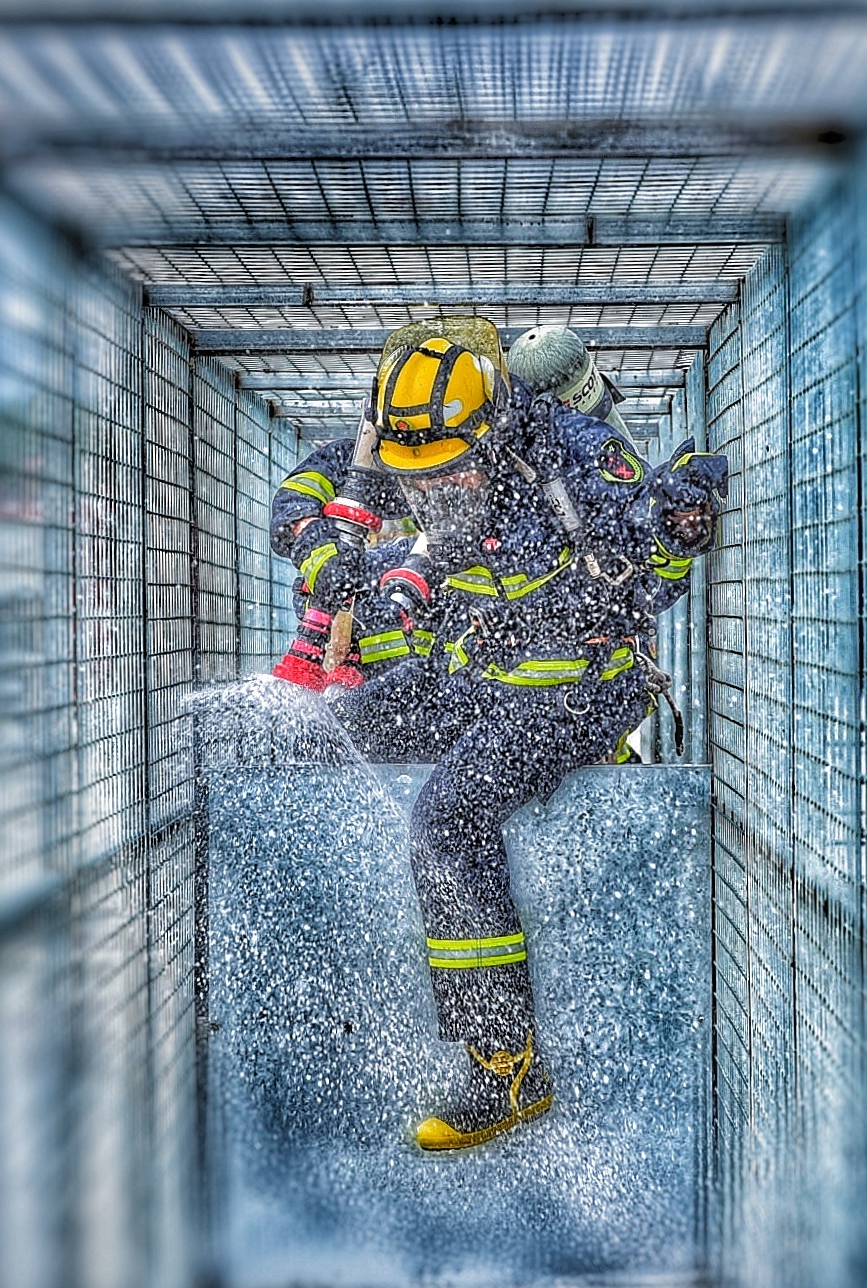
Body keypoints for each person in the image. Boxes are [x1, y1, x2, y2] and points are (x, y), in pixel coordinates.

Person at [329, 328, 727, 1150]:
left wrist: (673, 528)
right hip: (484, 672)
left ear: (492, 431)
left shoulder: (575, 457)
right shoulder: (419, 458)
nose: (433, 492)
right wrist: (332, 557)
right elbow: (338, 502)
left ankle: (506, 1067)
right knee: (337, 730)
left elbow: (650, 576)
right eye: (417, 479)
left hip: (581, 690)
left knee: (447, 818)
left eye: (450, 473)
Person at [270, 438, 431, 682]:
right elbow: (295, 498)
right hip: (356, 663)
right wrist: (319, 552)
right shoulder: (361, 454)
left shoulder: (470, 466)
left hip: (418, 675)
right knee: (330, 586)